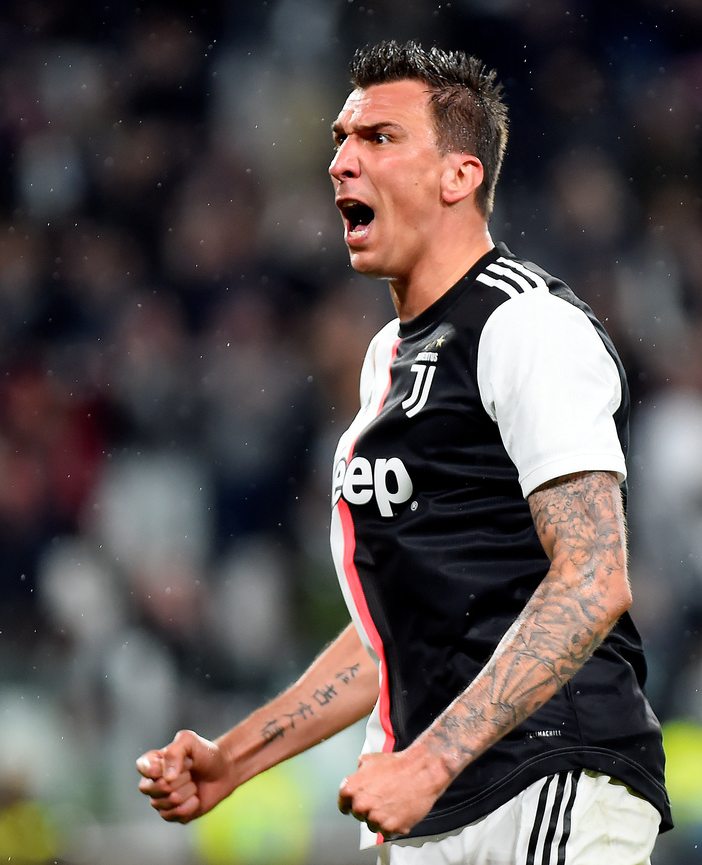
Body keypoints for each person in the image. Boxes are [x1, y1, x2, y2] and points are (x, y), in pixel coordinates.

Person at [137, 40, 671, 865]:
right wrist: (233, 758)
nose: (341, 162)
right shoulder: (387, 357)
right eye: (341, 139)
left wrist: (431, 759)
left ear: (460, 176)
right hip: (427, 805)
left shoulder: (527, 324)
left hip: (548, 773)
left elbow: (593, 576)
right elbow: (392, 631)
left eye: (379, 138)